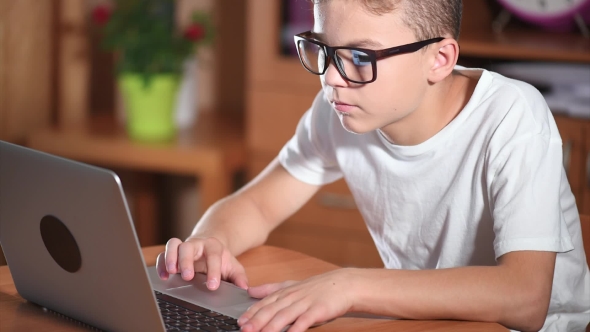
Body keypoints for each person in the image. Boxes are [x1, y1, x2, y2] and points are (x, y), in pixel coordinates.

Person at [157, 0, 590, 331]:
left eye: (361, 58)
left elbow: (525, 299)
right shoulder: (340, 109)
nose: (330, 78)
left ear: (439, 59)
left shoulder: (513, 117)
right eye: (323, 49)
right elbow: (258, 206)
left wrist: (349, 286)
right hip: (430, 320)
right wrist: (209, 240)